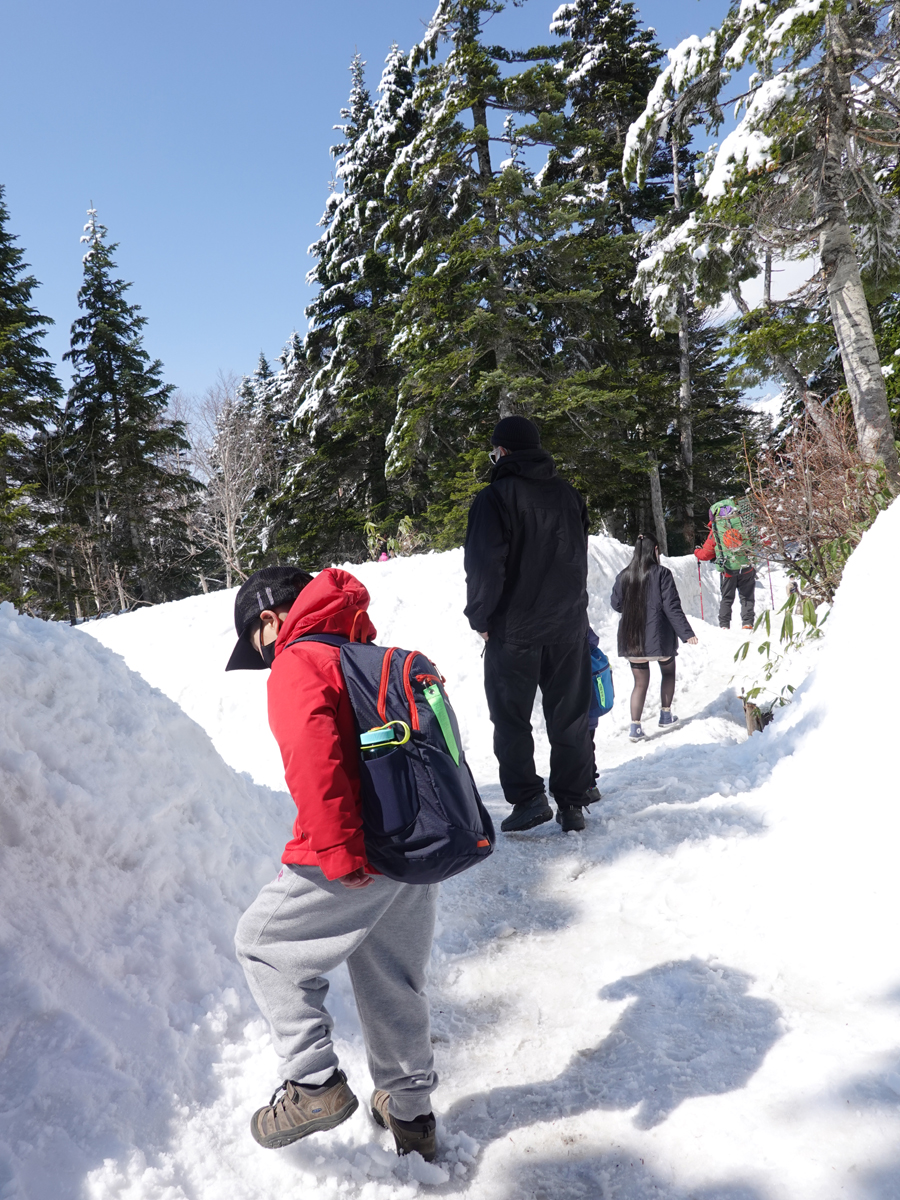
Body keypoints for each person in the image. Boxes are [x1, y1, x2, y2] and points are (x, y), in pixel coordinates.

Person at [225, 565, 439, 1161]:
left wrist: (340, 857)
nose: (264, 658)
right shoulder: (358, 649)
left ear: (271, 620)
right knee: (391, 980)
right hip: (409, 848)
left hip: (350, 851)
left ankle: (312, 1084)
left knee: (262, 943)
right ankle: (412, 1115)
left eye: (257, 644)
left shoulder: (299, 659)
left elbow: (316, 763)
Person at [464, 415, 596, 835]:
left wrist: (481, 617)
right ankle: (573, 802)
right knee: (570, 716)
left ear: (502, 450)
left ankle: (528, 799)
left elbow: (485, 566)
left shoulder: (494, 498)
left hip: (515, 630)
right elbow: (578, 559)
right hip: (567, 627)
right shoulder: (570, 496)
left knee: (511, 719)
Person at [610, 535, 698, 742]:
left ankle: (635, 728)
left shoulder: (624, 575)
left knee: (640, 683)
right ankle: (665, 715)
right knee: (668, 672)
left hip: (632, 638)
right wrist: (687, 633)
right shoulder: (662, 574)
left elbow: (616, 604)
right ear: (655, 550)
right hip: (658, 637)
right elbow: (671, 606)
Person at [694, 499, 757, 629]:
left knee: (727, 598)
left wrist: (696, 551)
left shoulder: (717, 530)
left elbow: (705, 554)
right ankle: (747, 623)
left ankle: (724, 625)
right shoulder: (742, 524)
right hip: (746, 568)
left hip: (728, 571)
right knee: (747, 598)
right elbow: (757, 540)